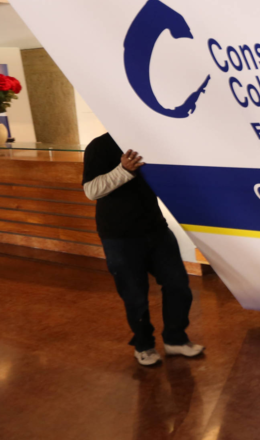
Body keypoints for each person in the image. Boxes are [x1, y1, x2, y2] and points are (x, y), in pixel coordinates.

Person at [83, 133, 204, 366]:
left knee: (178, 285)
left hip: (156, 228)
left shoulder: (146, 137)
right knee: (135, 295)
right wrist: (124, 170)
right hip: (119, 235)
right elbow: (91, 190)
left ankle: (176, 339)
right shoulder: (100, 145)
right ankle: (144, 345)